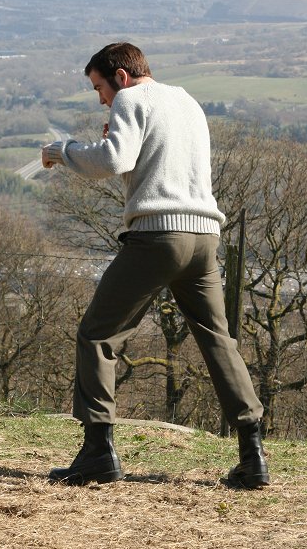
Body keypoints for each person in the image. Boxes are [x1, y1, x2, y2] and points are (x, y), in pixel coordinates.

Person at [41, 42, 269, 490]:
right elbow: (160, 165)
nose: (101, 98)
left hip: (158, 237)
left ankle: (97, 453)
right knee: (218, 340)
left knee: (97, 334)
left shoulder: (131, 99)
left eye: (99, 88)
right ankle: (252, 454)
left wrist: (62, 151)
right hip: (204, 239)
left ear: (121, 76)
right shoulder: (186, 101)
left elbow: (113, 161)